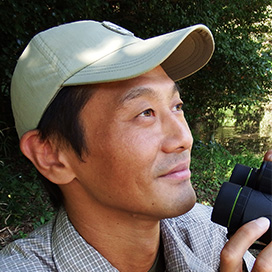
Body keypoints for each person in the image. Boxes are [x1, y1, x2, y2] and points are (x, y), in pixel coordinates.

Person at [0, 20, 271, 272]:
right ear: (52, 156)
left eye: (176, 106)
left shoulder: (209, 235)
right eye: (145, 112)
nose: (184, 139)